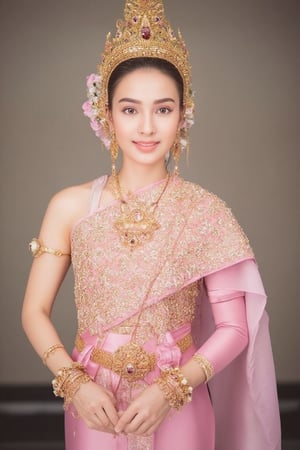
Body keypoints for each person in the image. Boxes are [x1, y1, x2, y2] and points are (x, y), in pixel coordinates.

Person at [22, 1, 281, 449]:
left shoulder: (206, 212)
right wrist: (74, 383)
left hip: (178, 399)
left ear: (183, 114)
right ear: (106, 114)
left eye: (162, 109)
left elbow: (235, 329)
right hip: (93, 403)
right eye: (129, 109)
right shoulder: (69, 207)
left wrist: (171, 390)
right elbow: (33, 312)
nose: (146, 127)